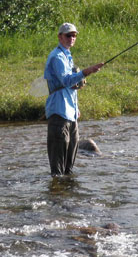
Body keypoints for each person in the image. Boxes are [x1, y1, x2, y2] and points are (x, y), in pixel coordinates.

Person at [44, 23, 104, 176]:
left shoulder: (67, 56)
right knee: (57, 170)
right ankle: (57, 196)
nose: (72, 38)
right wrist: (86, 72)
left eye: (74, 35)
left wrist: (75, 108)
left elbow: (71, 89)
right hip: (58, 113)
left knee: (69, 168)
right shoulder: (57, 57)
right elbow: (66, 81)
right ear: (60, 37)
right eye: (68, 35)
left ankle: (68, 195)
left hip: (70, 114)